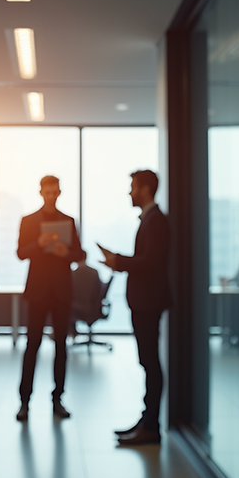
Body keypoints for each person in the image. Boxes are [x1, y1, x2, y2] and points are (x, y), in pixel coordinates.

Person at [100, 169, 171, 445]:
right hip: (144, 301)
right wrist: (118, 261)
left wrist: (119, 262)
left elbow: (151, 263)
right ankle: (147, 421)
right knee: (147, 362)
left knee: (150, 363)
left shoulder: (155, 221)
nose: (130, 193)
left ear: (145, 190)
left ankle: (150, 427)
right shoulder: (151, 220)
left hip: (148, 301)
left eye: (133, 187)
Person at [15, 175, 84, 422]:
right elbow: (21, 253)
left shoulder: (68, 221)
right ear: (41, 192)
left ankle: (58, 399)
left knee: (61, 346)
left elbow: (80, 253)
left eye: (54, 192)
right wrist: (38, 244)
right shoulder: (29, 221)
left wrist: (67, 252)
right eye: (47, 192)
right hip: (38, 291)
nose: (51, 196)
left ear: (59, 193)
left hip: (61, 291)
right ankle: (24, 402)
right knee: (32, 345)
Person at [69, 250, 103, 332]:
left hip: (79, 308)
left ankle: (65, 332)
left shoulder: (73, 274)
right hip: (93, 308)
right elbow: (99, 290)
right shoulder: (94, 272)